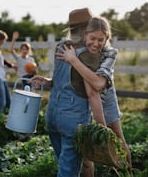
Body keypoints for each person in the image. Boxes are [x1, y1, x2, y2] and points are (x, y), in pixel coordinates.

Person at [29, 8, 109, 177]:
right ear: (87, 29)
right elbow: (92, 94)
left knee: (65, 166)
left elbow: (63, 80)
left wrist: (48, 82)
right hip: (72, 118)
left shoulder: (61, 46)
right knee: (68, 172)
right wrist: (103, 128)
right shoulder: (88, 54)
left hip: (52, 115)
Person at [57, 17, 133, 176]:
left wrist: (74, 60)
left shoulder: (110, 53)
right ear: (85, 35)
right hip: (84, 103)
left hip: (106, 100)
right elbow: (73, 80)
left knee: (118, 140)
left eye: (101, 39)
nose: (96, 43)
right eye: (92, 38)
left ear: (107, 38)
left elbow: (98, 85)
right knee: (87, 151)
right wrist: (49, 81)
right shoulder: (79, 50)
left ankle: (128, 172)